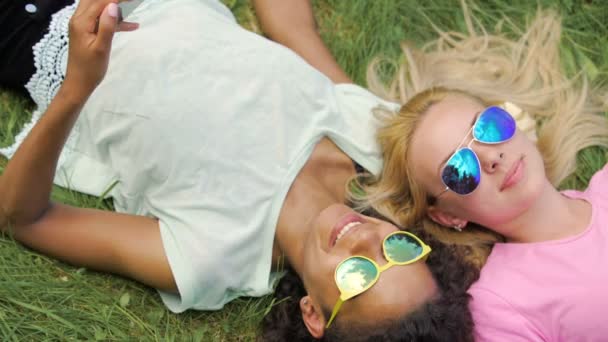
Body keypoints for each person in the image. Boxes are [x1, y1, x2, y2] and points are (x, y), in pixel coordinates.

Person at [0, 0, 477, 340]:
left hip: (41, 35)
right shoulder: (366, 143)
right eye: (396, 249)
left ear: (313, 314)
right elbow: (296, 33)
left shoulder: (210, 256)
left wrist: (77, 87)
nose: (365, 239)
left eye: (358, 276)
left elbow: (26, 218)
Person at [351, 5, 608, 342]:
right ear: (447, 217)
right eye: (459, 169)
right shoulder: (502, 304)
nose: (491, 158)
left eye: (487, 127)